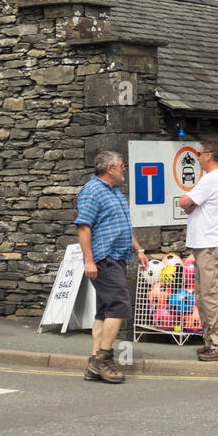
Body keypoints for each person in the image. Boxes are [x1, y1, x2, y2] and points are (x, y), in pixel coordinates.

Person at [75, 150, 149, 384]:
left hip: (118, 256)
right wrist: (89, 260)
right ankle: (104, 359)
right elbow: (83, 227)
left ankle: (93, 363)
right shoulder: (91, 191)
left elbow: (123, 226)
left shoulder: (114, 191)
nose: (124, 169)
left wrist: (138, 250)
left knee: (104, 311)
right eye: (121, 165)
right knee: (119, 304)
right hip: (103, 258)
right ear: (110, 169)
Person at [178, 139, 218, 362]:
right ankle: (211, 342)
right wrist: (192, 204)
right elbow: (189, 205)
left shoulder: (211, 179)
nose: (198, 157)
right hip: (206, 244)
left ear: (208, 156)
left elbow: (183, 202)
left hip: (209, 244)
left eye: (199, 154)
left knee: (211, 295)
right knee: (204, 295)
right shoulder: (214, 179)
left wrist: (191, 203)